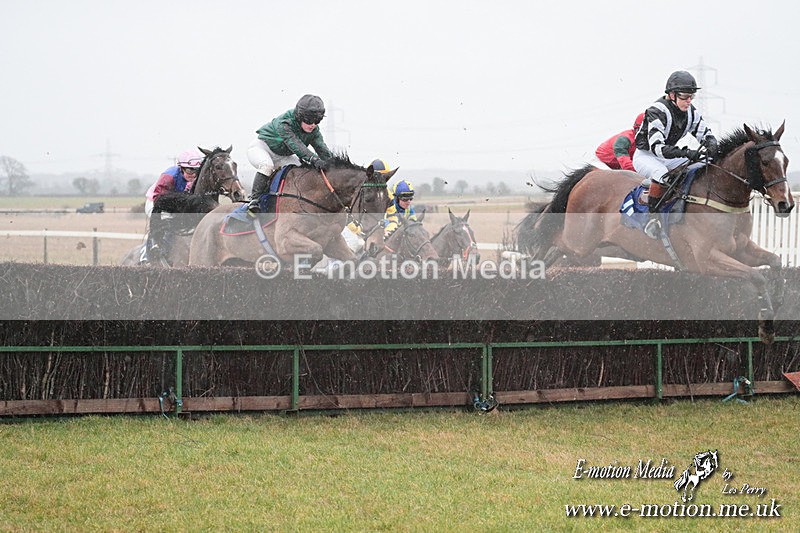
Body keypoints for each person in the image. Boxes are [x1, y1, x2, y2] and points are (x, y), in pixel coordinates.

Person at [633, 71, 718, 229]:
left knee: (704, 165)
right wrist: (686, 153)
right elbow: (658, 148)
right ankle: (652, 219)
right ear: (672, 95)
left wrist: (712, 144)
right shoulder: (656, 111)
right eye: (684, 97)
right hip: (647, 156)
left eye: (691, 97)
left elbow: (705, 133)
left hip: (667, 156)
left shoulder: (691, 112)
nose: (689, 101)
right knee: (662, 174)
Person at [246, 94, 333, 214]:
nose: (312, 124)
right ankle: (254, 200)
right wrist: (314, 159)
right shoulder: (284, 123)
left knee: (301, 171)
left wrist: (335, 165)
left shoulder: (314, 131)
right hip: (262, 148)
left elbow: (322, 148)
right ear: (299, 116)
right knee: (267, 166)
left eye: (317, 121)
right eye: (309, 120)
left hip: (283, 156)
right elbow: (296, 145)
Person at [142, 148, 205, 262]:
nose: (193, 174)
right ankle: (151, 248)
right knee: (165, 221)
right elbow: (159, 200)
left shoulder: (196, 178)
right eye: (190, 170)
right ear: (181, 168)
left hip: (175, 203)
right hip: (156, 201)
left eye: (196, 171)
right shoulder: (169, 176)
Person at [342, 159, 395, 253]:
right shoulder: (359, 191)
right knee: (356, 245)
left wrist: (387, 232)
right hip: (353, 231)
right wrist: (357, 230)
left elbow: (393, 218)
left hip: (376, 232)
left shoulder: (388, 196)